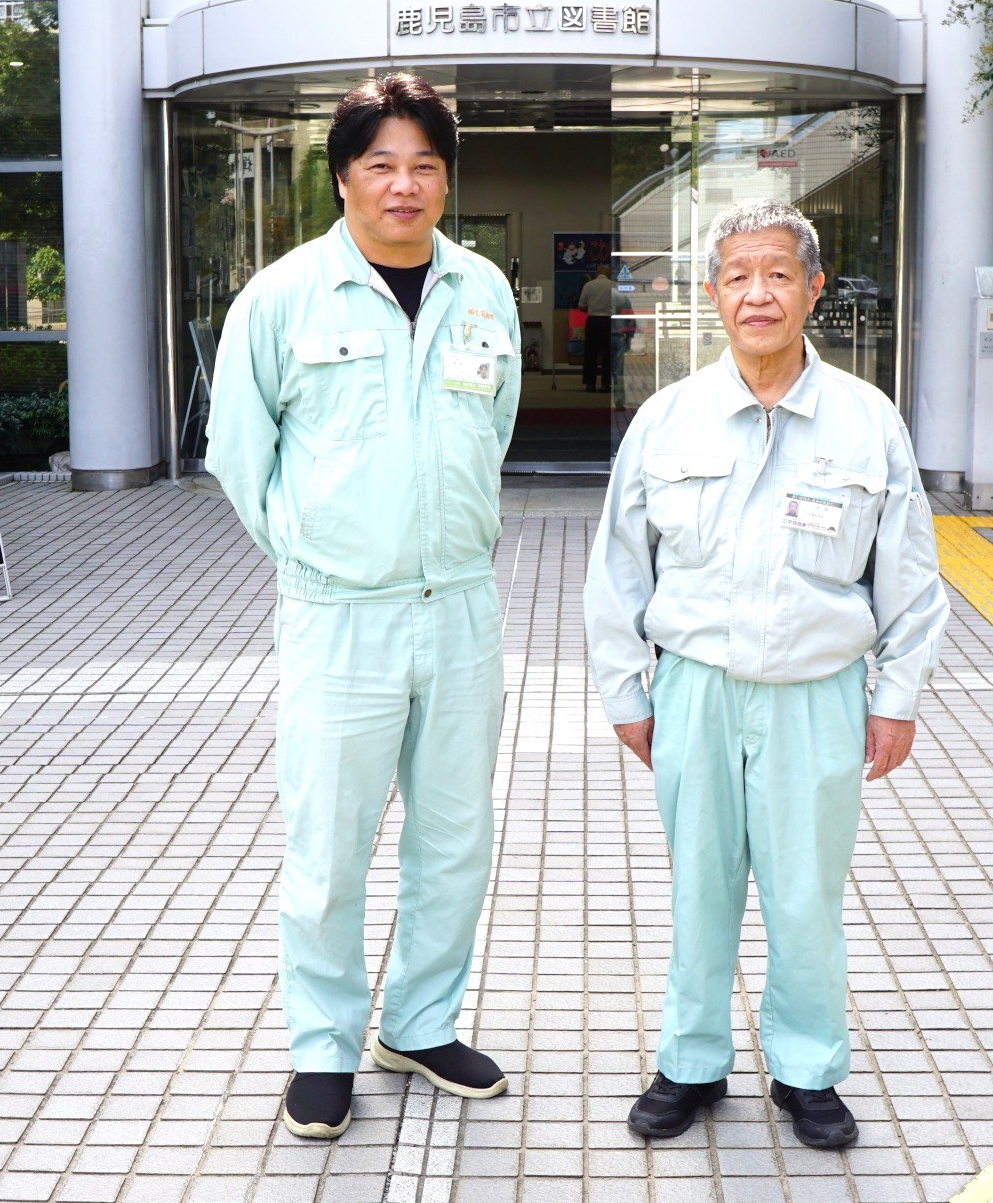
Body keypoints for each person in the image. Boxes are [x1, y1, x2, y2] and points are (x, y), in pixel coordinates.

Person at [583, 199, 949, 1149]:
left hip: (817, 695)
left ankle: (808, 1070)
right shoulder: (666, 420)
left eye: (779, 274)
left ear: (813, 289)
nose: (759, 294)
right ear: (713, 294)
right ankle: (691, 1065)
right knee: (698, 886)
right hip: (694, 688)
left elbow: (910, 575)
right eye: (739, 276)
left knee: (804, 892)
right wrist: (627, 691)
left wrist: (897, 697)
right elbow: (619, 566)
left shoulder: (867, 423)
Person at [208, 73, 521, 1140]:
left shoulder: (482, 289)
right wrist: (316, 555)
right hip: (339, 614)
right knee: (331, 842)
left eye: (424, 165)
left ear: (446, 179)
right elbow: (238, 456)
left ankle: (420, 1022)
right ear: (341, 176)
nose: (403, 184)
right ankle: (320, 1044)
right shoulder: (284, 296)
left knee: (453, 834)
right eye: (380, 163)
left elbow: (496, 429)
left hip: (462, 606)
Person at [577, 267, 620, 392]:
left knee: (591, 354)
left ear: (597, 273)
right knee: (608, 354)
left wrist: (591, 309)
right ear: (608, 274)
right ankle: (605, 384)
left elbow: (581, 306)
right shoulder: (614, 285)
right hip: (609, 322)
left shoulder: (588, 285)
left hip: (593, 322)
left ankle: (590, 384)